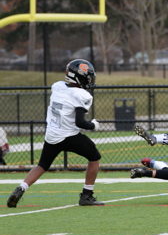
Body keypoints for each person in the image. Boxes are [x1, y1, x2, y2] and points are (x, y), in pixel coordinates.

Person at [7, 59, 104, 208]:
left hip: (52, 135)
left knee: (42, 165)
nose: (90, 80)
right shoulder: (82, 95)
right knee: (95, 158)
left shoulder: (57, 86)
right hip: (70, 136)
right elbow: (80, 122)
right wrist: (94, 125)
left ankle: (21, 188)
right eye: (87, 77)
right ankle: (87, 195)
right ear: (79, 77)